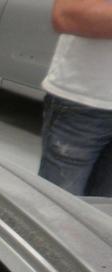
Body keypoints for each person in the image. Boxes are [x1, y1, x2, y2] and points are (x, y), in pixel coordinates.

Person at [38, 0, 112, 197]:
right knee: (56, 210)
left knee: (100, 215)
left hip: (87, 102)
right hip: (85, 103)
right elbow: (67, 15)